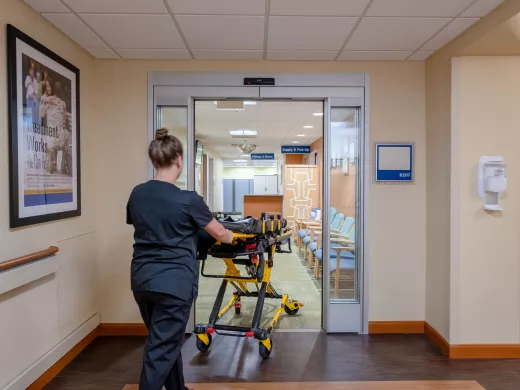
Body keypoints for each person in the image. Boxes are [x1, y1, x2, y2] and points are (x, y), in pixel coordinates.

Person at [126, 128, 233, 390]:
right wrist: (230, 233)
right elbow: (220, 234)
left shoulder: (137, 194)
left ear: (154, 160)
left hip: (142, 281)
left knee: (165, 340)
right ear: (180, 160)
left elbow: (143, 224)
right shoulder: (188, 199)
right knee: (161, 348)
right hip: (174, 284)